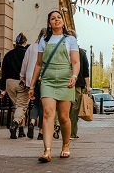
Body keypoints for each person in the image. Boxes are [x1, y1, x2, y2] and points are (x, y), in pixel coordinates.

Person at [28, 10, 80, 163]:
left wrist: (74, 76)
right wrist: (31, 86)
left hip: (65, 81)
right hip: (48, 81)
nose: (56, 20)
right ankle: (47, 151)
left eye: (59, 18)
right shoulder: (44, 40)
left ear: (63, 21)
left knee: (64, 117)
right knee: (48, 113)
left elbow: (76, 62)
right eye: (53, 18)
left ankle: (65, 145)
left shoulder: (70, 40)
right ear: (49, 24)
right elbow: (38, 64)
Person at [0, 33, 30, 139]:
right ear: (25, 42)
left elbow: (3, 71)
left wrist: (2, 86)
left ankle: (21, 130)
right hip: (21, 82)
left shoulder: (8, 54)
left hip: (9, 82)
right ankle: (15, 123)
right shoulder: (27, 53)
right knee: (22, 106)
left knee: (18, 107)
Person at [21, 28, 48, 139]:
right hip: (44, 79)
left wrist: (22, 76)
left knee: (35, 104)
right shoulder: (48, 47)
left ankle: (32, 122)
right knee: (44, 106)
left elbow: (25, 62)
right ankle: (41, 132)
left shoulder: (31, 47)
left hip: (31, 79)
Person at [68, 33, 90, 139]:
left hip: (64, 83)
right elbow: (86, 72)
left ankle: (59, 127)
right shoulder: (81, 52)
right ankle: (71, 133)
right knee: (74, 109)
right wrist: (88, 87)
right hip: (77, 85)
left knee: (63, 107)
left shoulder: (63, 51)